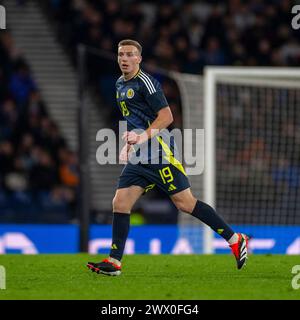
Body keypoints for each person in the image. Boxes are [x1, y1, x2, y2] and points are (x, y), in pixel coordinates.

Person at [87, 39, 248, 276]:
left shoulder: (147, 83)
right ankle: (114, 262)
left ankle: (235, 239)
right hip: (140, 156)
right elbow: (136, 120)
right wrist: (130, 145)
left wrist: (141, 139)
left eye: (130, 54)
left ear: (139, 59)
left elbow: (166, 117)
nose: (124, 58)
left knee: (185, 204)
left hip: (160, 153)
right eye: (121, 54)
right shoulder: (120, 84)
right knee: (120, 202)